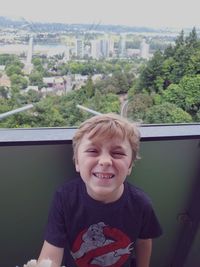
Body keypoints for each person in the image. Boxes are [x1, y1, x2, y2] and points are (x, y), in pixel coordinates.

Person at [38, 113, 162, 267]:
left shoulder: (141, 204)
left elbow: (143, 241)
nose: (105, 161)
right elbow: (51, 254)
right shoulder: (65, 198)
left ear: (130, 165)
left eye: (117, 153)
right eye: (92, 151)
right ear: (77, 162)